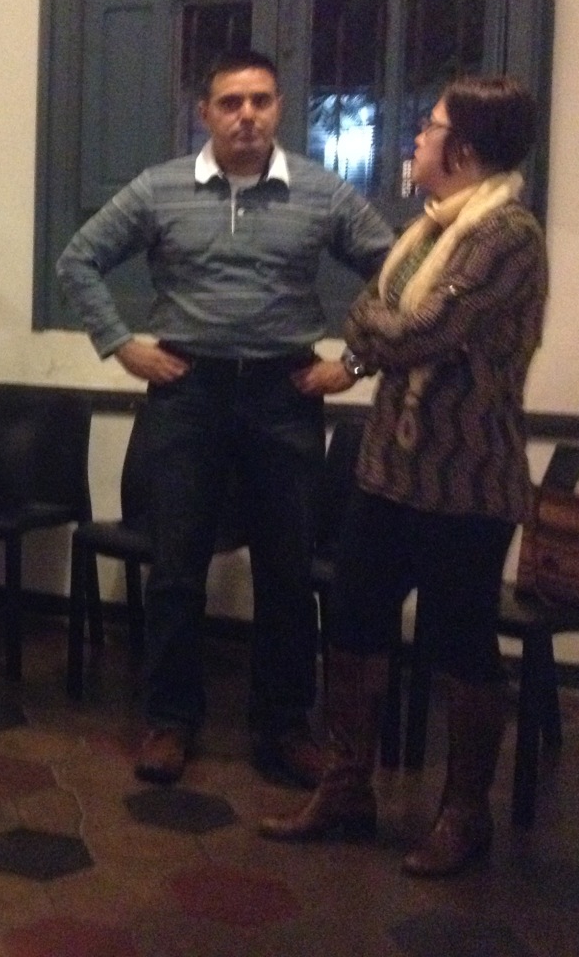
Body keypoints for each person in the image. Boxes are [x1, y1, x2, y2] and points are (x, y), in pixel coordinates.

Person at [56, 51, 395, 789]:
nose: (247, 115)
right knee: (176, 566)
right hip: (189, 392)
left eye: (261, 101)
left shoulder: (321, 192)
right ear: (204, 112)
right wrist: (121, 345)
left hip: (284, 394)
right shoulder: (160, 188)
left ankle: (284, 726)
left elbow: (400, 272)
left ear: (279, 108)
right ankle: (170, 720)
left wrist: (357, 361)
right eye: (231, 102)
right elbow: (78, 260)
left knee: (286, 570)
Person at [260, 75, 548, 877]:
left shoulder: (507, 234)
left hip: (467, 479)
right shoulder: (429, 231)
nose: (417, 137)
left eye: (431, 127)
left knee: (459, 644)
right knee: (354, 624)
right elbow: (382, 320)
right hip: (388, 470)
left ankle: (465, 815)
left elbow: (422, 328)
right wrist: (379, 332)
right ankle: (347, 789)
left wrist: (375, 333)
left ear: (466, 148)